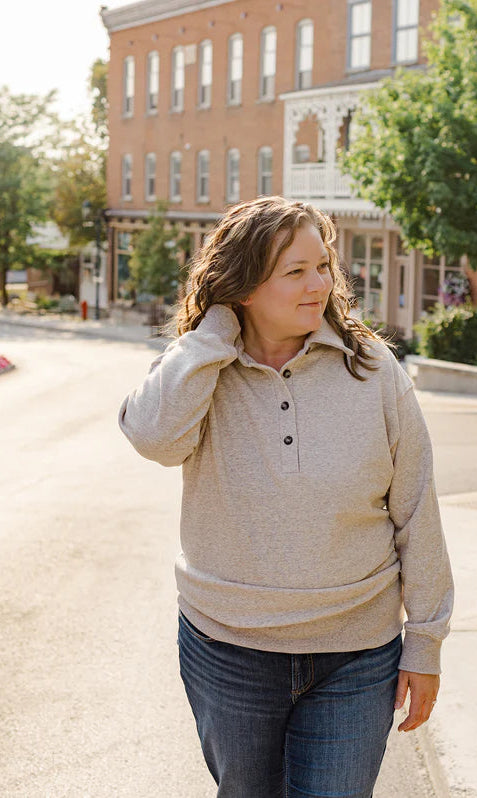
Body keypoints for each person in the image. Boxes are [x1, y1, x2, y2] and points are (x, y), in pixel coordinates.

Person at [119, 197, 454, 798]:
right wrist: (213, 334)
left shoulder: (372, 369)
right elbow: (153, 439)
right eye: (295, 271)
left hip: (357, 652)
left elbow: (416, 509)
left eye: (323, 266)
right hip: (229, 647)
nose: (320, 284)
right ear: (244, 285)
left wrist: (425, 643)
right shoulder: (200, 368)